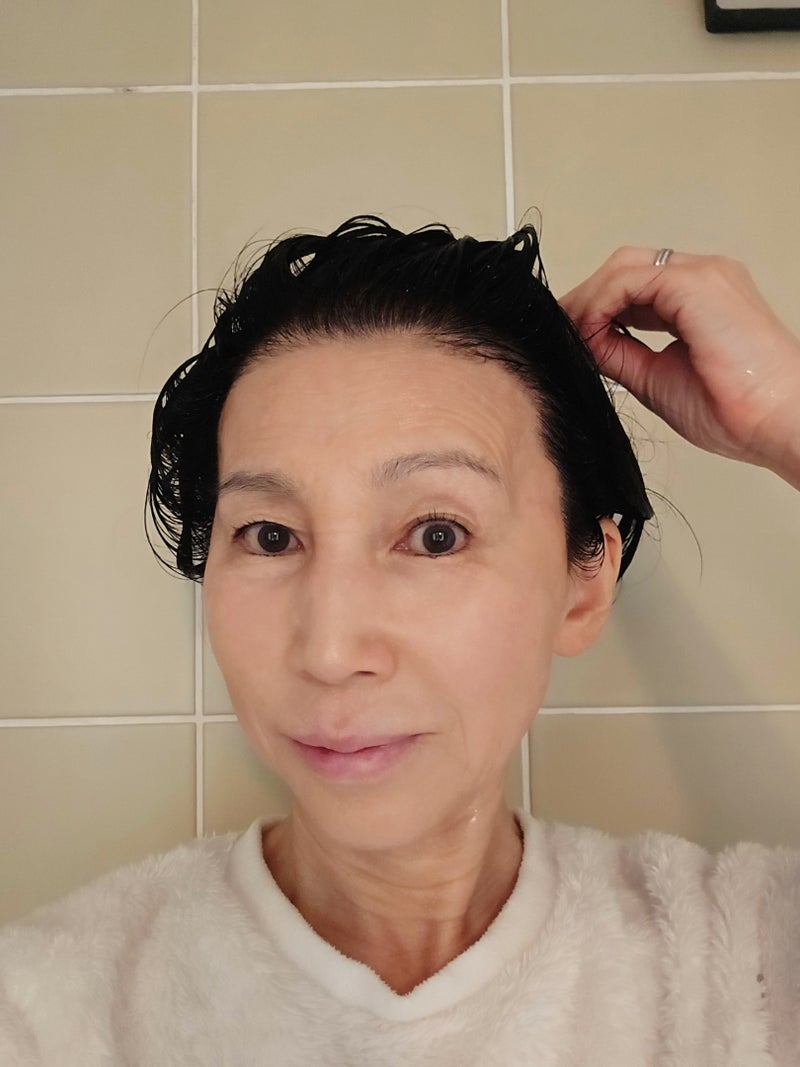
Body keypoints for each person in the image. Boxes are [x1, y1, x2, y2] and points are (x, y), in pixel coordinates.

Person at [1, 216, 798, 1066]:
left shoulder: (742, 965)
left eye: (436, 535)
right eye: (270, 536)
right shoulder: (53, 1010)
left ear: (584, 583)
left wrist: (786, 412)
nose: (330, 650)